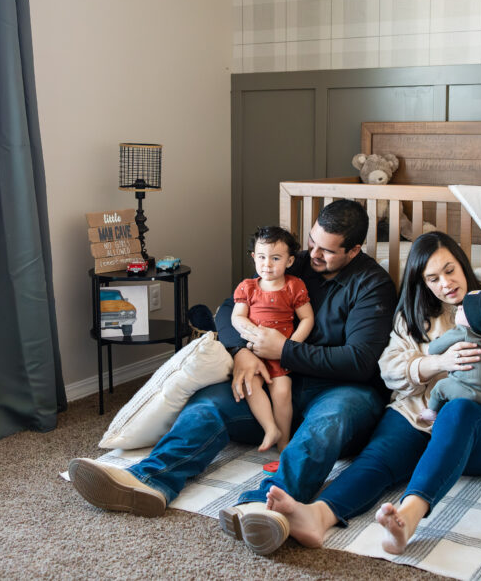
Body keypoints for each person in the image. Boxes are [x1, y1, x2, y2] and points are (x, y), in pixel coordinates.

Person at [67, 199, 398, 556]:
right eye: (312, 242)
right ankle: (150, 480)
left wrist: (284, 350)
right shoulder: (293, 261)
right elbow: (227, 310)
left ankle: (267, 507)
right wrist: (240, 351)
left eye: (327, 250)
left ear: (354, 250)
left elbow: (361, 361)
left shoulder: (372, 284)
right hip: (274, 381)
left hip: (342, 390)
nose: (313, 254)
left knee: (328, 421)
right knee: (210, 402)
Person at [264, 231, 481, 556]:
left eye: (449, 270)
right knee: (379, 456)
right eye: (433, 278)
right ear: (422, 282)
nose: (445, 283)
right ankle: (318, 515)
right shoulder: (414, 313)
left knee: (458, 409)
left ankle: (409, 515)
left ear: (462, 264)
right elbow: (391, 370)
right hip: (420, 414)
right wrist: (436, 362)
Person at [231, 225, 314, 452]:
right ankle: (270, 429)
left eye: (275, 258)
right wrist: (251, 334)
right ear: (253, 257)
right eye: (262, 257)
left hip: (281, 354)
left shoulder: (293, 286)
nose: (267, 264)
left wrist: (290, 346)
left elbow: (307, 318)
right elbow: (237, 316)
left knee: (282, 392)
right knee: (250, 385)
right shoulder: (248, 287)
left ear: (289, 261)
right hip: (255, 351)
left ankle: (283, 440)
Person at [418, 289, 481, 423]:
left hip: (469, 392)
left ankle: (432, 411)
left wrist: (430, 349)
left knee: (440, 387)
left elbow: (434, 348)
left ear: (472, 320)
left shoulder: (463, 331)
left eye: (462, 309)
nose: (459, 308)